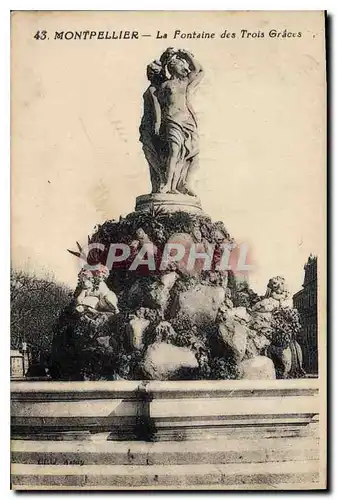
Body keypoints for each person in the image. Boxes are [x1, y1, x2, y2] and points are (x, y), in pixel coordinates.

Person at [156, 48, 204, 196]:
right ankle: (167, 184)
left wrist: (187, 55)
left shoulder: (185, 82)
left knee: (193, 154)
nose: (185, 67)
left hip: (187, 122)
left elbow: (199, 70)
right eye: (180, 64)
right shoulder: (165, 85)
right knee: (174, 151)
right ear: (172, 67)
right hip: (172, 120)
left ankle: (183, 184)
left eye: (185, 65)